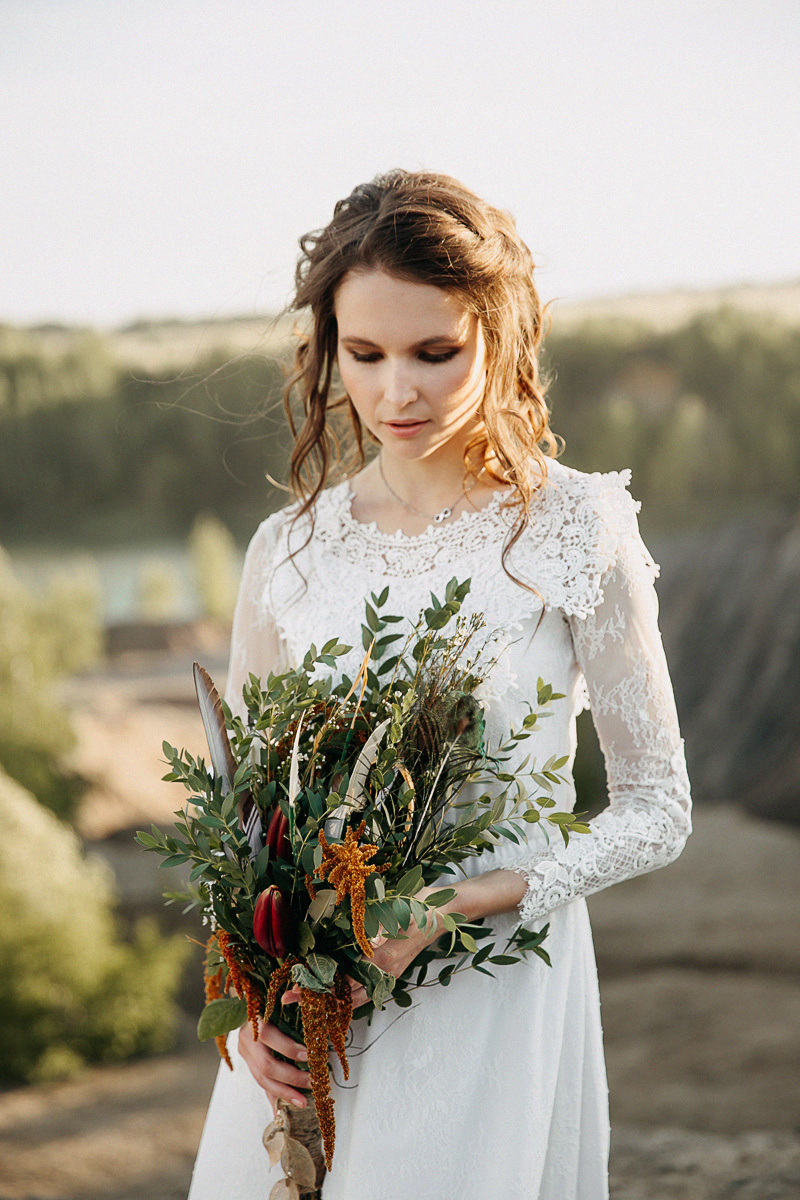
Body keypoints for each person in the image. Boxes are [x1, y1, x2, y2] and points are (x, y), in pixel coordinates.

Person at [188, 169, 692, 1200]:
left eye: (433, 352)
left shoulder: (572, 526)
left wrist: (454, 901)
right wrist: (246, 1004)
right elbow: (240, 827)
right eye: (363, 355)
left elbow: (656, 811)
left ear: (497, 335)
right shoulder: (288, 550)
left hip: (493, 994)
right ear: (328, 346)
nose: (394, 393)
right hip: (315, 1014)